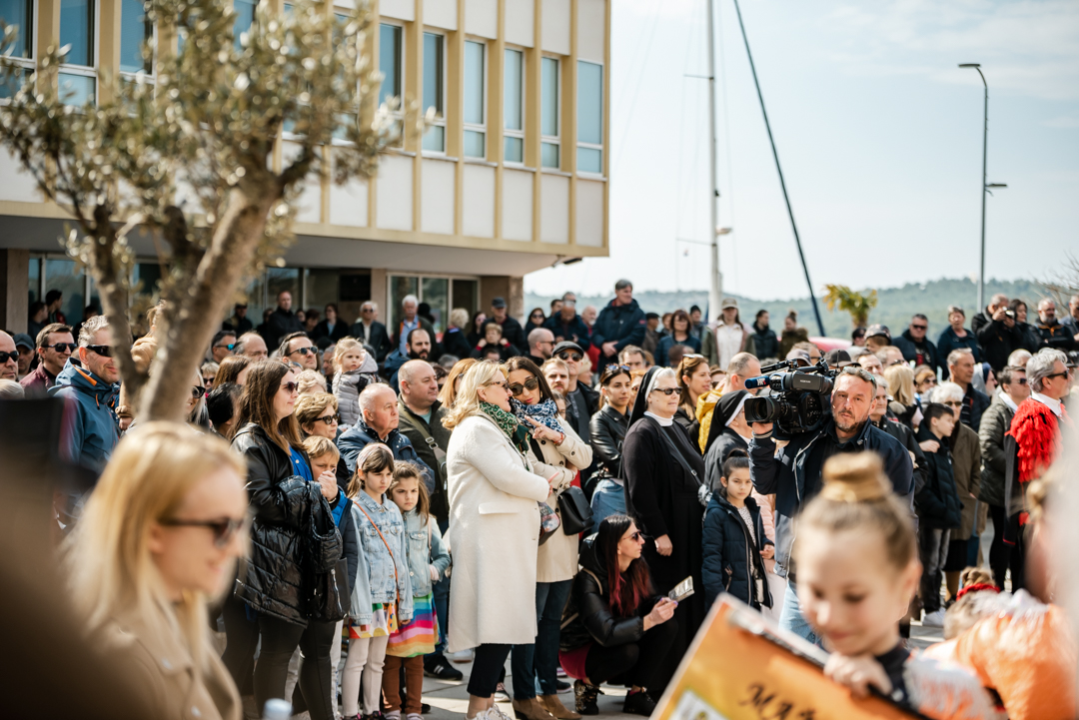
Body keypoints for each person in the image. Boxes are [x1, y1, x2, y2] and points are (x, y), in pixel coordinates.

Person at [65, 423, 248, 720]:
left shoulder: (176, 623)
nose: (237, 547)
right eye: (221, 527)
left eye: (240, 524)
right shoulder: (122, 662)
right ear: (153, 531)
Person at [791, 454, 995, 718]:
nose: (829, 615)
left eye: (853, 596)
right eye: (816, 592)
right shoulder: (787, 681)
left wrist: (891, 705)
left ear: (906, 583)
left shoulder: (953, 693)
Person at [748, 366, 913, 643]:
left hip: (853, 586)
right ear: (830, 396)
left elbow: (904, 523)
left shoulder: (892, 453)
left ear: (873, 405)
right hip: (801, 580)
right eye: (842, 395)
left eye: (858, 399)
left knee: (837, 678)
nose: (847, 405)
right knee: (790, 669)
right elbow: (765, 484)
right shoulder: (804, 439)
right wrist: (762, 438)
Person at [441, 362, 559, 720]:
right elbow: (508, 475)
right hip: (491, 541)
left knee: (501, 627)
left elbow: (517, 467)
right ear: (482, 391)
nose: (510, 391)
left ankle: (485, 706)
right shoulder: (477, 427)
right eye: (502, 385)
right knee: (497, 627)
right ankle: (479, 709)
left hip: (500, 540)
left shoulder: (491, 425)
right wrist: (545, 485)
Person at [227, 360, 344, 720]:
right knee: (277, 654)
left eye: (297, 386)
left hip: (306, 560)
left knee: (319, 652)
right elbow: (259, 503)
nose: (297, 393)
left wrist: (332, 495)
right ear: (266, 392)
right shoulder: (249, 440)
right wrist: (312, 490)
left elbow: (311, 500)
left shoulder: (291, 439)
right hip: (272, 562)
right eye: (288, 387)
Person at [505, 356, 592, 720]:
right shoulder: (508, 424)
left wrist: (556, 435)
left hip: (565, 529)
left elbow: (585, 458)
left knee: (552, 619)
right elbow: (526, 469)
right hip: (537, 528)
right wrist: (561, 474)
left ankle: (549, 694)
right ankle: (524, 695)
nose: (524, 393)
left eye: (530, 384)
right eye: (515, 387)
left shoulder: (553, 416)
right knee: (530, 619)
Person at [621, 367, 706, 694]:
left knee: (687, 605)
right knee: (667, 608)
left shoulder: (679, 427)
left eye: (676, 391)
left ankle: (682, 677)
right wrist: (658, 533)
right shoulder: (642, 432)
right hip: (665, 539)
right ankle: (652, 685)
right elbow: (640, 491)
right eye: (667, 391)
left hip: (688, 534)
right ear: (649, 395)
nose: (674, 396)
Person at [558, 516, 679, 717]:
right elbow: (606, 633)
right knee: (628, 651)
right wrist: (650, 620)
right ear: (616, 547)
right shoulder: (588, 578)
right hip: (579, 649)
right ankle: (587, 685)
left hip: (616, 635)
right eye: (634, 537)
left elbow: (648, 600)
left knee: (668, 625)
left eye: (639, 534)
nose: (642, 541)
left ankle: (637, 694)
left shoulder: (636, 563)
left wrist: (660, 602)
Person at [395, 360, 459, 681]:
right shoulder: (397, 421)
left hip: (453, 511)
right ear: (405, 386)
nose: (435, 385)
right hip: (419, 516)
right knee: (429, 585)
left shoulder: (448, 415)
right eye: (426, 381)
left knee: (445, 583)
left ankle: (440, 647)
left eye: (435, 379)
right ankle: (429, 653)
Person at [339, 445, 413, 720]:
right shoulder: (354, 508)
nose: (384, 479)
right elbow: (354, 561)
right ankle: (349, 713)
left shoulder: (393, 509)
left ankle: (372, 711)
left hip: (388, 597)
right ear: (361, 473)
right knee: (357, 659)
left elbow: (401, 560)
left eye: (388, 474)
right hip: (365, 598)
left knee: (377, 661)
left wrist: (403, 603)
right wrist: (356, 608)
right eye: (377, 473)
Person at [383, 462, 451, 720]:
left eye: (413, 491)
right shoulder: (386, 519)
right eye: (401, 491)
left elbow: (443, 555)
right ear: (390, 492)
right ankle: (391, 708)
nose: (408, 496)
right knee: (390, 659)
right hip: (394, 600)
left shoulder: (427, 520)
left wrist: (434, 569)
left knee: (416, 660)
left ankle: (413, 709)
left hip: (421, 598)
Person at [978, 365, 1028, 591]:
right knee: (1003, 539)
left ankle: (1018, 587)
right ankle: (998, 587)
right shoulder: (996, 411)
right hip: (1000, 488)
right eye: (1021, 381)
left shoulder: (1023, 409)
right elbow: (987, 446)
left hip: (1017, 489)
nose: (1027, 384)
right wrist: (1016, 467)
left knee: (1018, 541)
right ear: (1006, 386)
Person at [1006, 349, 1069, 528]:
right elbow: (1030, 481)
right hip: (1046, 521)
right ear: (1046, 381)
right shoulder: (1031, 418)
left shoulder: (1059, 411)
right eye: (1064, 374)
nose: (1070, 378)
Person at [50, 315, 121, 473]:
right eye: (106, 350)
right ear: (84, 355)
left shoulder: (104, 397)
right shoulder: (69, 401)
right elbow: (62, 482)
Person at [702, 453, 773, 610]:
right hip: (729, 591)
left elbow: (758, 536)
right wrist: (717, 595)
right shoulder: (716, 514)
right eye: (737, 481)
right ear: (724, 481)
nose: (743, 487)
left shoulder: (752, 508)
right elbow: (711, 558)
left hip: (752, 588)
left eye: (748, 482)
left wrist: (767, 544)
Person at [914, 403, 962, 627]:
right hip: (932, 516)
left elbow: (947, 483)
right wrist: (942, 508)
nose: (952, 424)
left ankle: (936, 606)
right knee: (929, 564)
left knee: (939, 563)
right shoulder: (924, 445)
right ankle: (930, 608)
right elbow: (923, 487)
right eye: (948, 420)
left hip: (944, 515)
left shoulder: (941, 445)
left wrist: (953, 506)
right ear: (934, 421)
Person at [338, 383, 433, 484]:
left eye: (396, 405)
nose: (395, 412)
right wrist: (409, 476)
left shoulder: (402, 440)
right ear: (369, 414)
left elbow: (428, 478)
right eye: (388, 407)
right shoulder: (350, 440)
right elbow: (372, 482)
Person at [589, 365, 632, 526]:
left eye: (628, 384)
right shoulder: (599, 420)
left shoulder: (636, 419)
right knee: (608, 550)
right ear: (604, 391)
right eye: (617, 385)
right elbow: (614, 462)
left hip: (635, 491)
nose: (624, 390)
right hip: (612, 492)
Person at [550, 343, 599, 446]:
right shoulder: (544, 397)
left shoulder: (593, 396)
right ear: (553, 362)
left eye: (576, 357)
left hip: (591, 457)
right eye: (564, 356)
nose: (570, 360)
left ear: (581, 364)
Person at [702, 390, 752, 491]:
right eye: (750, 409)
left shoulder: (729, 442)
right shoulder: (728, 448)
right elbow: (722, 493)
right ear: (734, 420)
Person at [592, 280, 647, 367]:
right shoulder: (605, 312)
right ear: (616, 292)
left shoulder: (638, 313)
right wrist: (603, 344)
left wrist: (616, 346)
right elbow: (595, 332)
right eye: (625, 291)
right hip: (605, 362)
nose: (629, 294)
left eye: (630, 291)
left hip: (628, 363)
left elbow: (638, 336)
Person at [333, 338, 380, 428]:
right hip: (341, 420)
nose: (354, 360)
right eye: (350, 357)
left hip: (357, 422)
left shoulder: (362, 378)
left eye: (357, 357)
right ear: (338, 359)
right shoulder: (338, 375)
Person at [20, 323, 74, 398]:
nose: (68, 352)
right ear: (42, 352)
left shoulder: (79, 381)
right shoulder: (27, 387)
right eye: (60, 347)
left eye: (72, 347)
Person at [972, 294, 1021, 374]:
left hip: (1006, 367)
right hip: (988, 366)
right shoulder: (978, 318)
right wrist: (994, 322)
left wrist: (1013, 327)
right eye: (1003, 308)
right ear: (993, 307)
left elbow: (1019, 340)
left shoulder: (1005, 319)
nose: (1005, 311)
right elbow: (980, 337)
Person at [946, 349, 991, 432]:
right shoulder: (937, 396)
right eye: (967, 365)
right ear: (953, 368)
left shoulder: (982, 400)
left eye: (973, 365)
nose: (971, 370)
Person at [708, 298, 750, 371]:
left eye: (732, 309)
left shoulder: (745, 332)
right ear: (722, 310)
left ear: (736, 310)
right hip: (718, 372)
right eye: (727, 309)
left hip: (738, 372)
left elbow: (750, 355)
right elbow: (706, 353)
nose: (730, 311)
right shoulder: (713, 330)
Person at [674, 354, 710, 433]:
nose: (708, 379)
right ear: (686, 379)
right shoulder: (677, 411)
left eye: (709, 374)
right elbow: (689, 436)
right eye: (702, 375)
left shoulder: (713, 404)